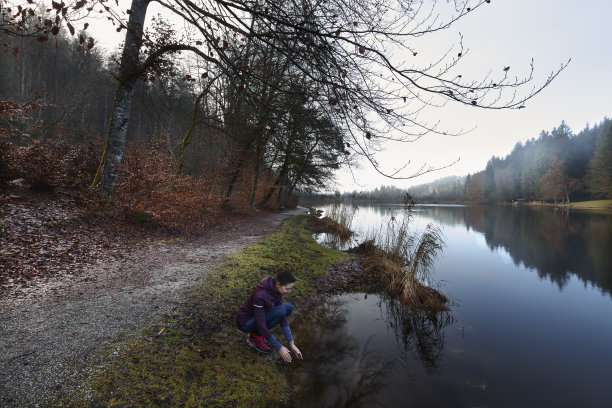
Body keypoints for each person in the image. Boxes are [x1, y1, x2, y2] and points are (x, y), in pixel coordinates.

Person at [236, 267, 303, 363]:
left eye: (291, 289)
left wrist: (291, 343)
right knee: (282, 310)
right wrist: (279, 347)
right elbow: (261, 324)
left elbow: (282, 316)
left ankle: (257, 334)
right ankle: (255, 338)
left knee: (288, 308)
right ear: (278, 284)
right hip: (245, 322)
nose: (289, 291)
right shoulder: (260, 295)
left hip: (259, 316)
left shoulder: (276, 289)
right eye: (287, 288)